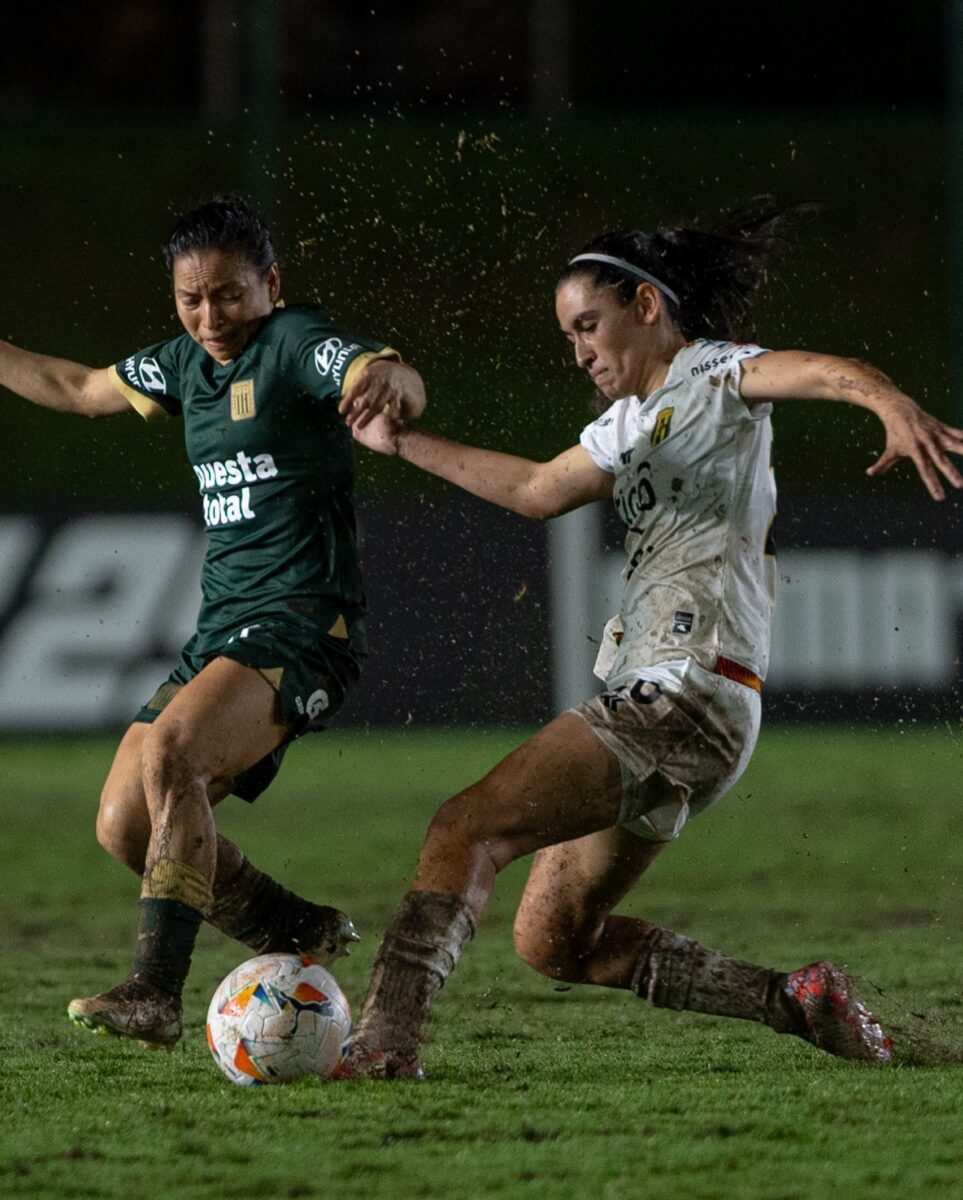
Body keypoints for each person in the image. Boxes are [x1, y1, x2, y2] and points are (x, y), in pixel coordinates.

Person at [334, 201, 963, 1079]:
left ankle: (381, 1046)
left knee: (462, 825)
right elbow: (537, 489)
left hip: (685, 688)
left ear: (645, 306)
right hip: (688, 705)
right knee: (554, 940)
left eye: (587, 324)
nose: (579, 350)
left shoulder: (710, 372)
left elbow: (820, 370)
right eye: (567, 335)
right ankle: (796, 1000)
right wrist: (397, 444)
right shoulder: (629, 423)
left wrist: (887, 402)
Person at [0, 194, 426, 1049]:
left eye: (229, 294)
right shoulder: (181, 364)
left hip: (305, 620)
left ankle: (154, 992)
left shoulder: (294, 342)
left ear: (269, 283)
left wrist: (393, 380)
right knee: (124, 823)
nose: (210, 316)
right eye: (191, 299)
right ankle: (294, 927)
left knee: (171, 754)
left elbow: (382, 375)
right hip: (225, 626)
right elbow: (79, 389)